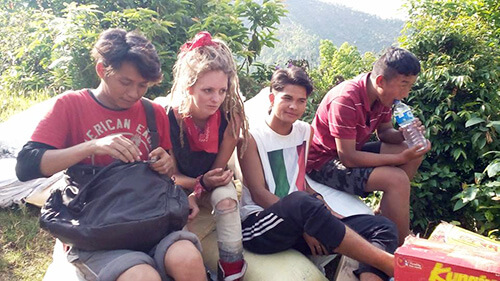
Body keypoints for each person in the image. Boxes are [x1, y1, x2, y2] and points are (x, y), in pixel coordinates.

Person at [16, 28, 206, 281]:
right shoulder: (71, 106)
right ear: (101, 70)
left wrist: (166, 163)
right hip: (97, 229)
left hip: (151, 221)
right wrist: (92, 146)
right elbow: (26, 166)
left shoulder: (153, 112)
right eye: (125, 82)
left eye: (143, 85)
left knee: (188, 259)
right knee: (142, 276)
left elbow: (169, 171)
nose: (133, 93)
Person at [238, 66, 398, 281]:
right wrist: (304, 223)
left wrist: (329, 214)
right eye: (287, 98)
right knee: (301, 202)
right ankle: (391, 265)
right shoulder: (251, 138)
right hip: (261, 226)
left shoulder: (304, 131)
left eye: (301, 101)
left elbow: (301, 183)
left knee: (382, 226)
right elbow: (259, 193)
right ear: (271, 98)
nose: (294, 106)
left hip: (303, 220)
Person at [307, 47, 431, 244]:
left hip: (351, 150)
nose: (406, 94)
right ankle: (402, 246)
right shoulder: (345, 100)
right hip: (323, 161)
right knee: (396, 179)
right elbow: (347, 157)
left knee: (413, 150)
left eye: (410, 86)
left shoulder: (383, 97)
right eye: (403, 85)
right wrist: (399, 159)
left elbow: (384, 133)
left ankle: (385, 211)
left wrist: (403, 134)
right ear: (381, 80)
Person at [167, 31, 249, 281]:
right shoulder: (168, 118)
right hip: (177, 187)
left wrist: (206, 185)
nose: (216, 99)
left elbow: (218, 171)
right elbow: (170, 177)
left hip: (211, 184)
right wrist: (196, 186)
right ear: (188, 87)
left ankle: (232, 267)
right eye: (207, 90)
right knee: (174, 217)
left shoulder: (230, 118)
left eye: (222, 91)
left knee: (225, 197)